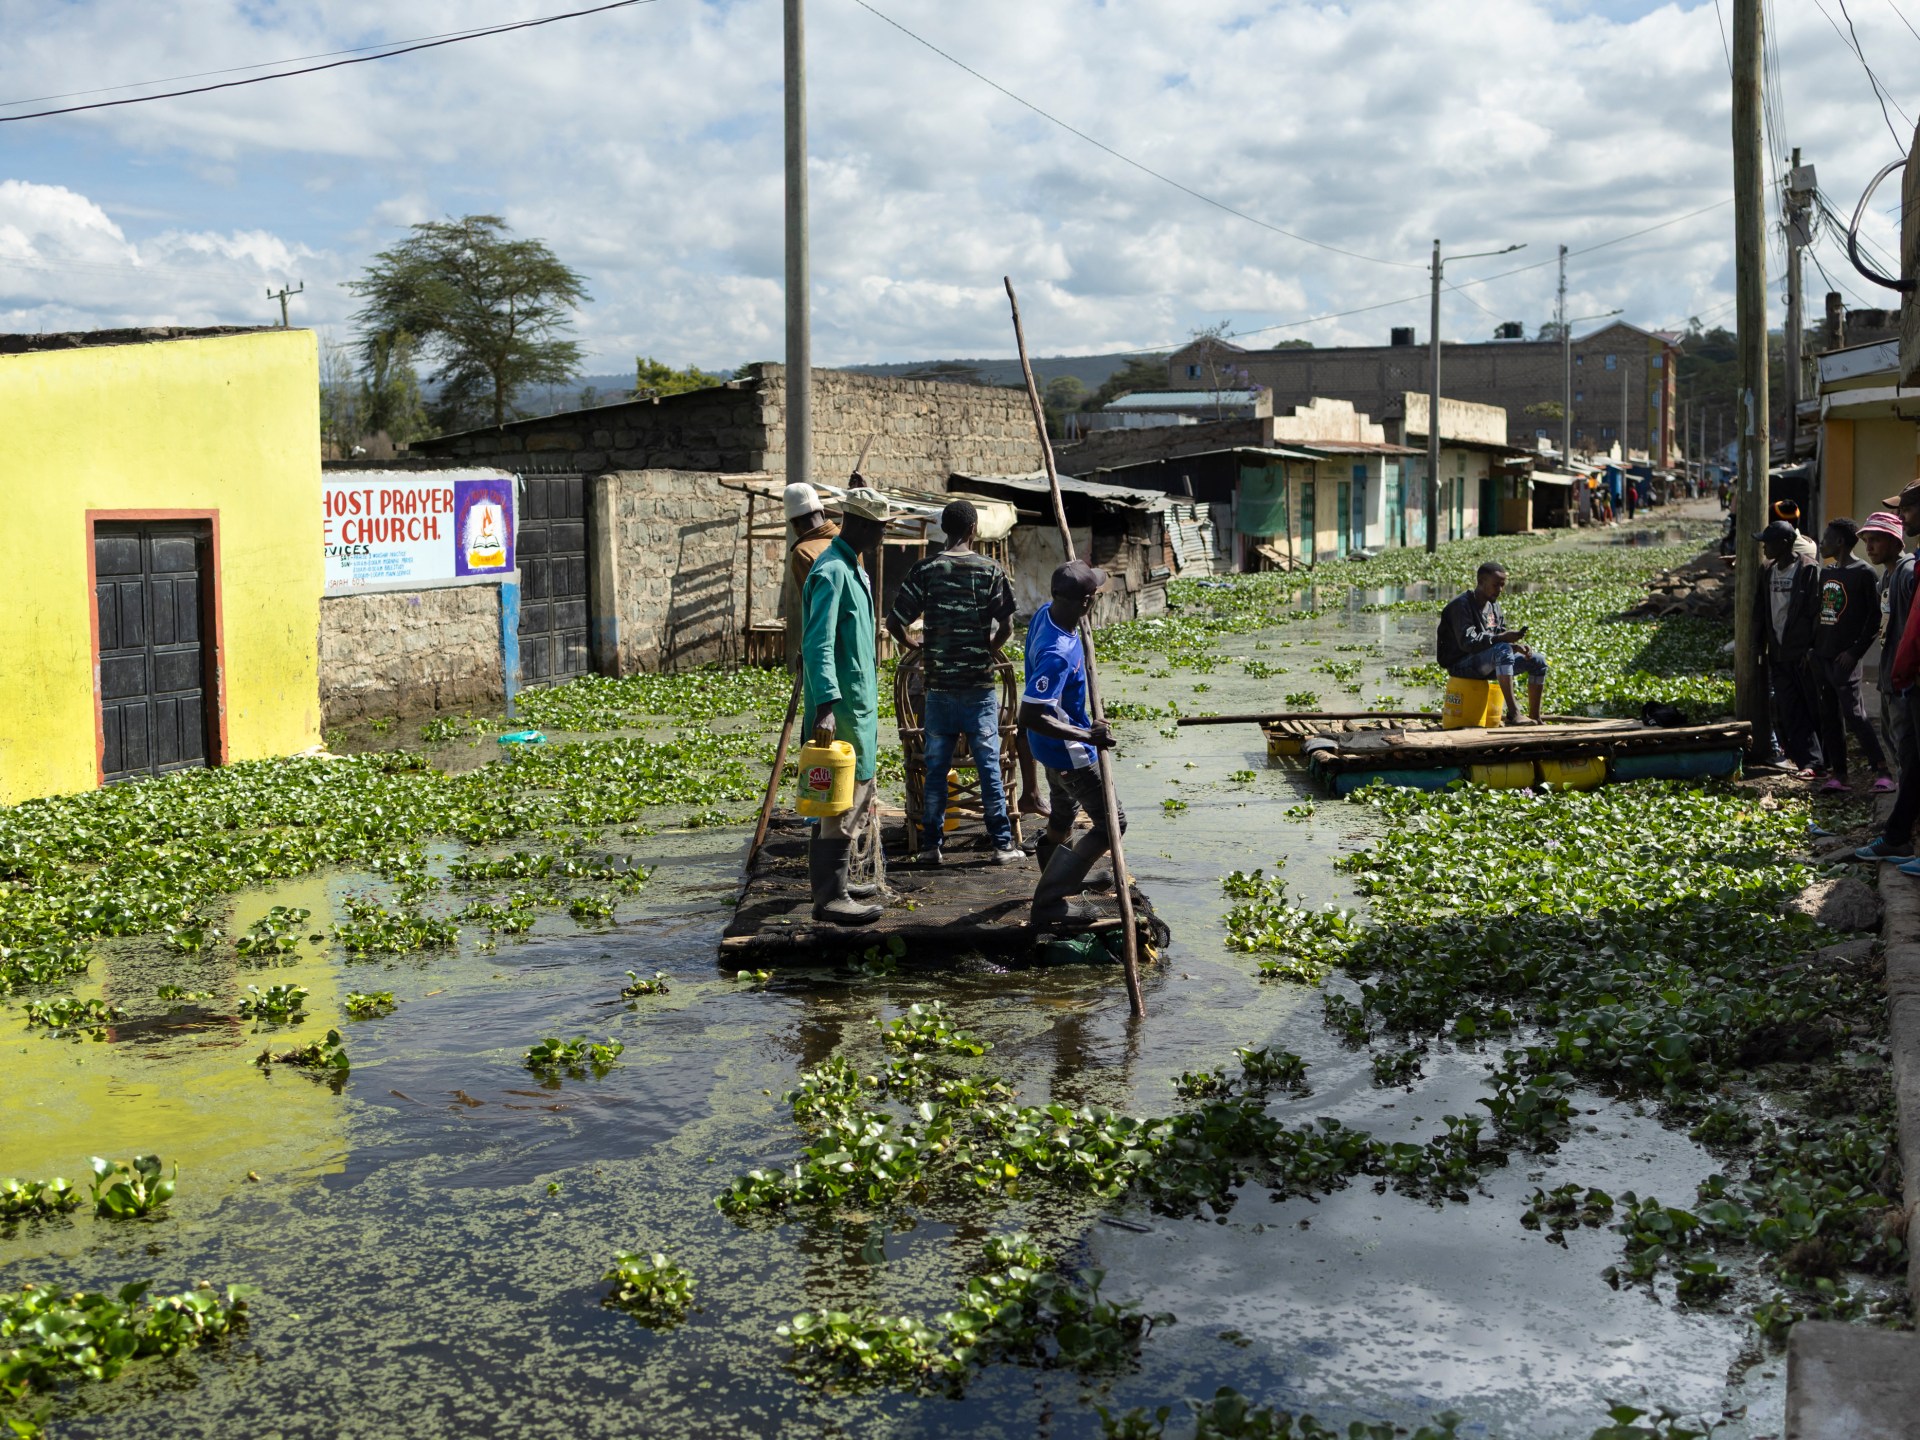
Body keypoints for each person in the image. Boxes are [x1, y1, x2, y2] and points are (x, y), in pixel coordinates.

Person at [886, 499, 1024, 867]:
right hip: (978, 688)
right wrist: (988, 648)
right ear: (973, 529)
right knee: (989, 766)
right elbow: (1008, 625)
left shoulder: (926, 569)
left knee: (935, 770)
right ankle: (1002, 846)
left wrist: (915, 646)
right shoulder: (989, 570)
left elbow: (894, 622)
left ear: (945, 530)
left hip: (939, 690)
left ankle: (932, 846)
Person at [800, 485, 891, 925]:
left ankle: (836, 884)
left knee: (855, 796)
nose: (882, 537)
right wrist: (826, 706)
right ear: (860, 525)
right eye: (878, 529)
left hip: (859, 704)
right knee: (837, 801)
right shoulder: (831, 571)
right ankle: (829, 897)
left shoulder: (854, 569)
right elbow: (816, 644)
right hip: (841, 708)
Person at [1022, 560, 1123, 931]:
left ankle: (1057, 872)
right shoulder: (1057, 651)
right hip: (1069, 752)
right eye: (1093, 595)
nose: (1095, 599)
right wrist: (1088, 736)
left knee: (1063, 814)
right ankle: (1051, 898)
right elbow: (1031, 714)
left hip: (1049, 749)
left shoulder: (1045, 616)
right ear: (1085, 602)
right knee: (1112, 824)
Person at [1811, 517, 1892, 794]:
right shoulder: (1827, 573)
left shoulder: (1864, 573)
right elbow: (1820, 615)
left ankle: (1882, 771)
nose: (1821, 543)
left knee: (1855, 715)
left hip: (1844, 660)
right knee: (1830, 716)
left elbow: (1875, 618)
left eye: (1826, 539)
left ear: (1840, 542)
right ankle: (1839, 774)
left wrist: (1855, 652)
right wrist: (1812, 649)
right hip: (1822, 656)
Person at [1437, 561, 1549, 726]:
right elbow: (1468, 643)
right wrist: (1503, 640)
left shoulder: (1494, 606)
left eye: (1502, 585)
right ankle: (1514, 713)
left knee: (1537, 661)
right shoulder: (1461, 605)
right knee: (1502, 649)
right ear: (1481, 582)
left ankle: (1534, 717)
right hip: (1460, 664)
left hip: (1488, 662)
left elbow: (1497, 639)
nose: (1500, 590)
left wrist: (1515, 647)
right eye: (1496, 585)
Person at [1752, 519, 1823, 776]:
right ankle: (1805, 760)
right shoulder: (1768, 570)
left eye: (1767, 544)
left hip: (1801, 652)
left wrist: (1812, 648)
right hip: (1778, 651)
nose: (1764, 549)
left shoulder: (1808, 570)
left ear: (1783, 544)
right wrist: (1757, 644)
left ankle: (1819, 761)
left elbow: (1816, 612)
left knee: (1811, 706)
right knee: (1788, 707)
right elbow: (1760, 609)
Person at [1862, 509, 1917, 766]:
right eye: (1866, 541)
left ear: (1896, 541)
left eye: (1876, 539)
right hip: (1888, 678)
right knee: (1893, 742)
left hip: (1904, 681)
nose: (1869, 547)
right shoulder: (1885, 577)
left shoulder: (1907, 575)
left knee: (1907, 749)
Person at [779, 482, 839, 670]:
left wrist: (803, 651)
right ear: (822, 513)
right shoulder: (847, 541)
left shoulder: (803, 553)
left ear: (794, 524)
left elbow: (815, 610)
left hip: (827, 647)